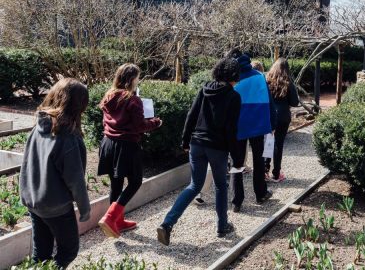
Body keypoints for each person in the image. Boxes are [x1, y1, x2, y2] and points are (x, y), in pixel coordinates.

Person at [157, 58, 241, 245]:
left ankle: (167, 223)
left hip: (196, 143)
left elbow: (191, 115)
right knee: (220, 185)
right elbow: (231, 130)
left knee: (194, 185)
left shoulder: (204, 89)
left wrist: (185, 140)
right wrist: (237, 158)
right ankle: (222, 226)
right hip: (217, 147)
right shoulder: (234, 97)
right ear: (234, 76)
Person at [19, 79, 91, 269]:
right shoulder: (67, 136)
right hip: (56, 207)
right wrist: (85, 209)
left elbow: (27, 164)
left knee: (40, 253)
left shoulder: (39, 125)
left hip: (34, 202)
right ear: (78, 105)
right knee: (69, 250)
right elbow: (75, 180)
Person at [97, 64, 162, 238]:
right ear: (132, 79)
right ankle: (111, 217)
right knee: (135, 182)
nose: (138, 80)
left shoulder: (109, 95)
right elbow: (140, 126)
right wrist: (156, 122)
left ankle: (117, 221)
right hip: (126, 145)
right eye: (137, 77)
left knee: (116, 184)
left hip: (108, 143)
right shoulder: (133, 100)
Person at [230, 53, 276, 212]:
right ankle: (261, 193)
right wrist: (272, 122)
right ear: (249, 63)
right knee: (258, 159)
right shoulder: (259, 76)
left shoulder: (233, 78)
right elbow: (269, 100)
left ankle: (237, 200)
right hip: (258, 124)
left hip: (238, 125)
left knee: (237, 162)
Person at [264, 58, 300, 182]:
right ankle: (276, 173)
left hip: (269, 115)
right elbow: (295, 102)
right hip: (283, 116)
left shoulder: (267, 80)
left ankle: (264, 170)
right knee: (278, 145)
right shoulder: (288, 82)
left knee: (268, 142)